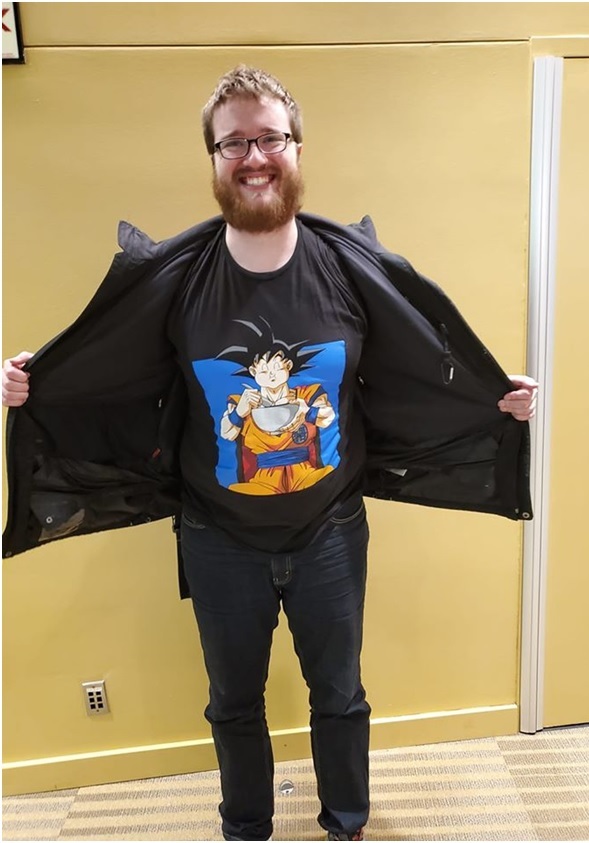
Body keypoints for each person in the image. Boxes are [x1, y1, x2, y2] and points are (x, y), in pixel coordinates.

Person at [2, 66, 537, 842]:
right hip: (218, 540)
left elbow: (419, 366)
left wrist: (494, 396)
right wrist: (34, 386)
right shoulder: (176, 282)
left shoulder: (349, 270)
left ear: (296, 146)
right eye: (235, 143)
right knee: (232, 702)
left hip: (330, 532)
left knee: (341, 695)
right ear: (214, 158)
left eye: (270, 138)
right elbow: (110, 374)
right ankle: (245, 827)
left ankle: (346, 823)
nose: (255, 156)